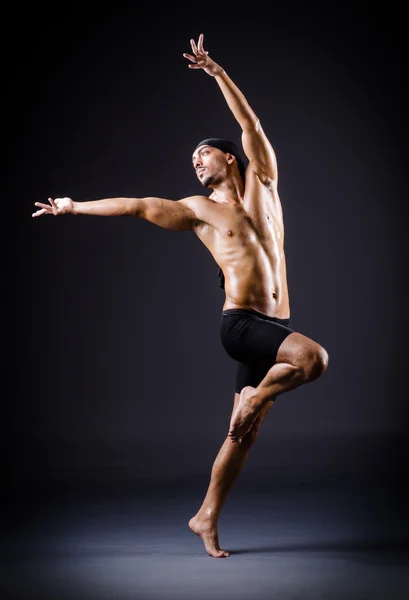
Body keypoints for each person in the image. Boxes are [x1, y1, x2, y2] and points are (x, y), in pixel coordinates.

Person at [32, 33, 329, 558]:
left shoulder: (265, 184)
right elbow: (136, 204)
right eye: (192, 158)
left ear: (231, 159)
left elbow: (251, 126)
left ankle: (205, 517)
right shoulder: (199, 210)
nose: (195, 161)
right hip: (241, 325)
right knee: (313, 360)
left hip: (275, 325)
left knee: (243, 435)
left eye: (204, 153)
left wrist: (217, 73)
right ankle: (257, 398)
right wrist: (74, 207)